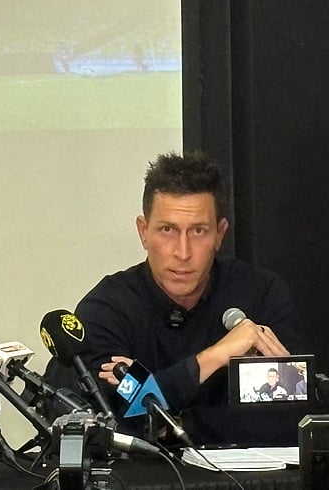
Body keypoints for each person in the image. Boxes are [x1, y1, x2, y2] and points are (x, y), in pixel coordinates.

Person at [73, 151, 305, 445]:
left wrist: (171, 419)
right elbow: (112, 427)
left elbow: (289, 419)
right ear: (143, 232)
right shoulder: (106, 309)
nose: (182, 252)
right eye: (167, 230)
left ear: (220, 234)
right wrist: (215, 357)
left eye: (198, 231)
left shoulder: (261, 294)